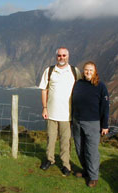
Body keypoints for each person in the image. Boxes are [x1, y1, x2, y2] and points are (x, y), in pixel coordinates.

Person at [38, 47, 81, 176]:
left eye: (64, 55)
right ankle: (49, 160)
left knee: (65, 141)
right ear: (56, 56)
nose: (61, 58)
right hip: (51, 113)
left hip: (67, 115)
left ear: (68, 56)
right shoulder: (49, 71)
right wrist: (44, 108)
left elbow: (81, 89)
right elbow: (44, 90)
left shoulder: (74, 71)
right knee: (50, 139)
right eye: (59, 56)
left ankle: (65, 165)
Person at [72, 61, 109, 187]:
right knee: (79, 148)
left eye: (91, 70)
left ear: (95, 72)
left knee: (91, 150)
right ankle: (86, 171)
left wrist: (105, 125)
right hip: (77, 121)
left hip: (92, 123)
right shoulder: (79, 84)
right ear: (83, 71)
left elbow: (105, 107)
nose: (88, 72)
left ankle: (93, 177)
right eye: (86, 70)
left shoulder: (100, 86)